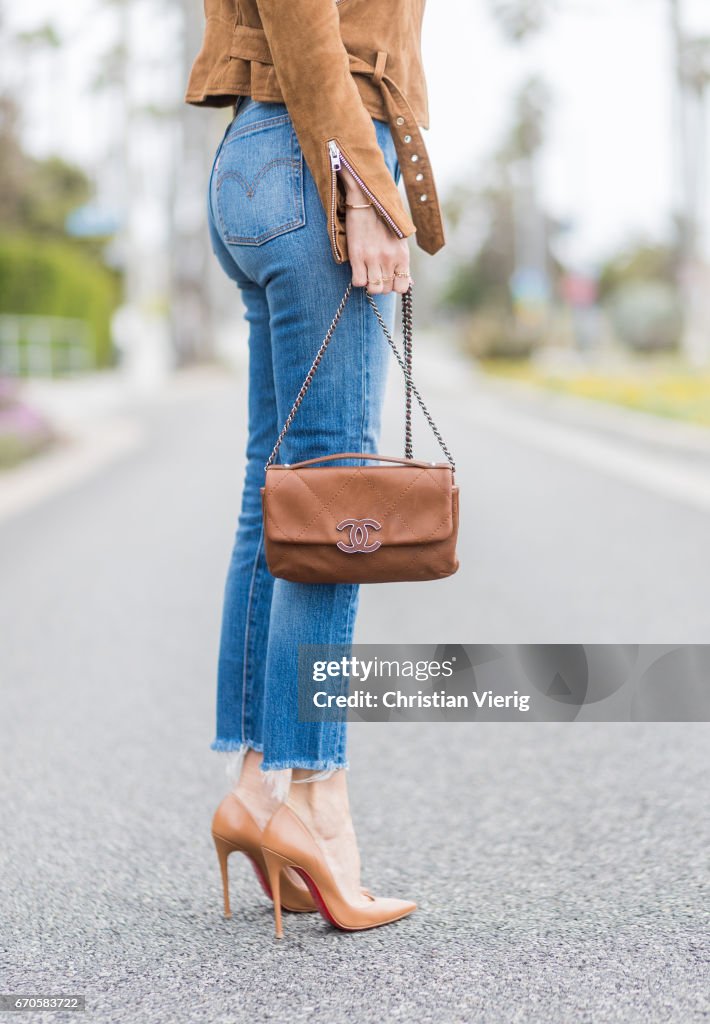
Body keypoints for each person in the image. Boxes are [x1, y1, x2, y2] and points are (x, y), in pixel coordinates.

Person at [185, 0, 445, 936]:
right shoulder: (339, 159)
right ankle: (316, 803)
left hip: (258, 157)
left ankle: (256, 786)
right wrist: (362, 178)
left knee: (283, 496)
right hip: (315, 149)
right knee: (338, 503)